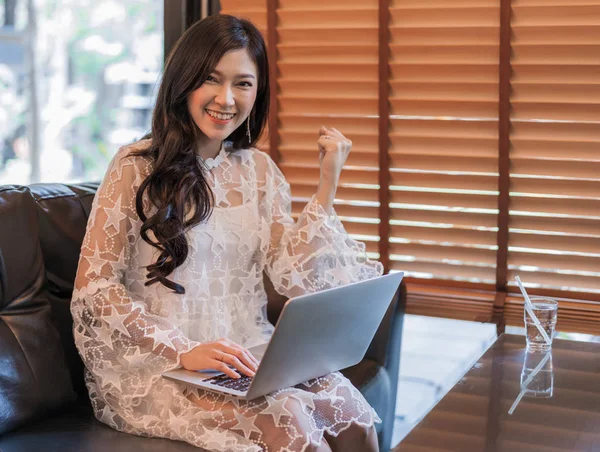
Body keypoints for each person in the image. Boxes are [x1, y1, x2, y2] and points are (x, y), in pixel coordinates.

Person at [71, 14, 383, 452]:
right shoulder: (134, 166)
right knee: (289, 419)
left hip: (249, 352)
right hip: (160, 365)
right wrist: (181, 349)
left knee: (352, 413)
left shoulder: (260, 172)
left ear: (258, 92)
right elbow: (95, 289)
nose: (226, 98)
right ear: (184, 84)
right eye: (211, 80)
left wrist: (327, 184)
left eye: (243, 83)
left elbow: (297, 279)